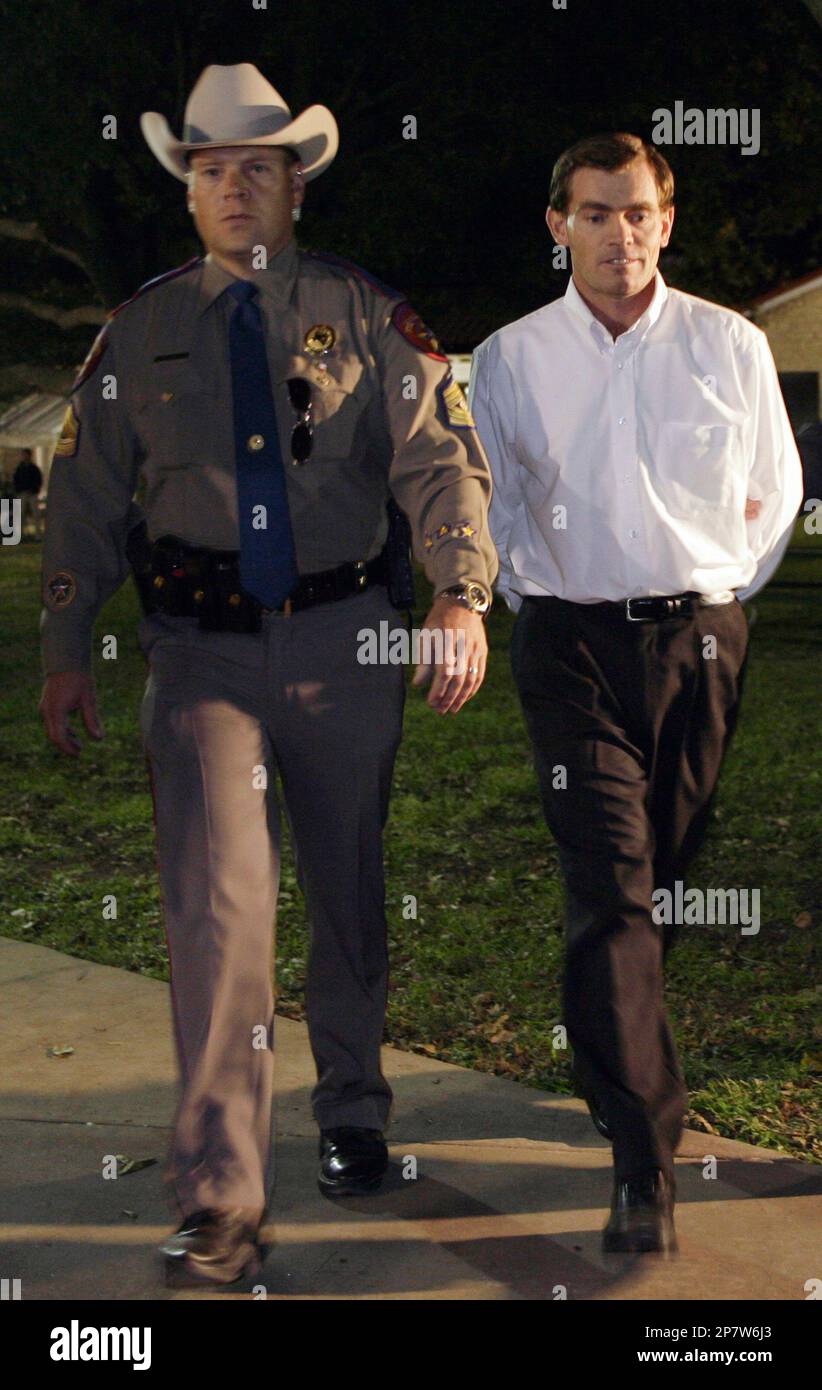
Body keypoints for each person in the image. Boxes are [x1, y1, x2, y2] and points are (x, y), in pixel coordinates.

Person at [38, 62, 497, 1287]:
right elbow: (80, 495)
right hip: (198, 654)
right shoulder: (141, 330)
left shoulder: (364, 314)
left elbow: (442, 464)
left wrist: (459, 590)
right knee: (220, 909)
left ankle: (351, 1105)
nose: (232, 188)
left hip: (346, 641)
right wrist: (67, 641)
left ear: (297, 183)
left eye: (255, 167)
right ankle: (223, 1200)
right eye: (208, 171)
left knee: (347, 884)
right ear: (188, 193)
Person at [469, 132, 803, 1255]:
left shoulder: (731, 343)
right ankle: (641, 1156)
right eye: (598, 212)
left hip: (700, 646)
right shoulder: (510, 358)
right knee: (612, 886)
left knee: (654, 883)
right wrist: (545, 601)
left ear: (669, 220)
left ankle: (609, 1044)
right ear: (557, 223)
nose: (623, 234)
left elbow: (772, 490)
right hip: (567, 647)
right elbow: (499, 501)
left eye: (642, 212)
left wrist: (710, 599)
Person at [12, 450, 43, 539]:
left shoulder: (33, 468)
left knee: (36, 514)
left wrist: (34, 490)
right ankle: (20, 535)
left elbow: (38, 480)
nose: (23, 456)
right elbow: (16, 480)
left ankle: (38, 534)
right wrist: (19, 490)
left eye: (25, 455)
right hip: (22, 493)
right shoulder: (19, 468)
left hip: (32, 493)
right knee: (20, 514)